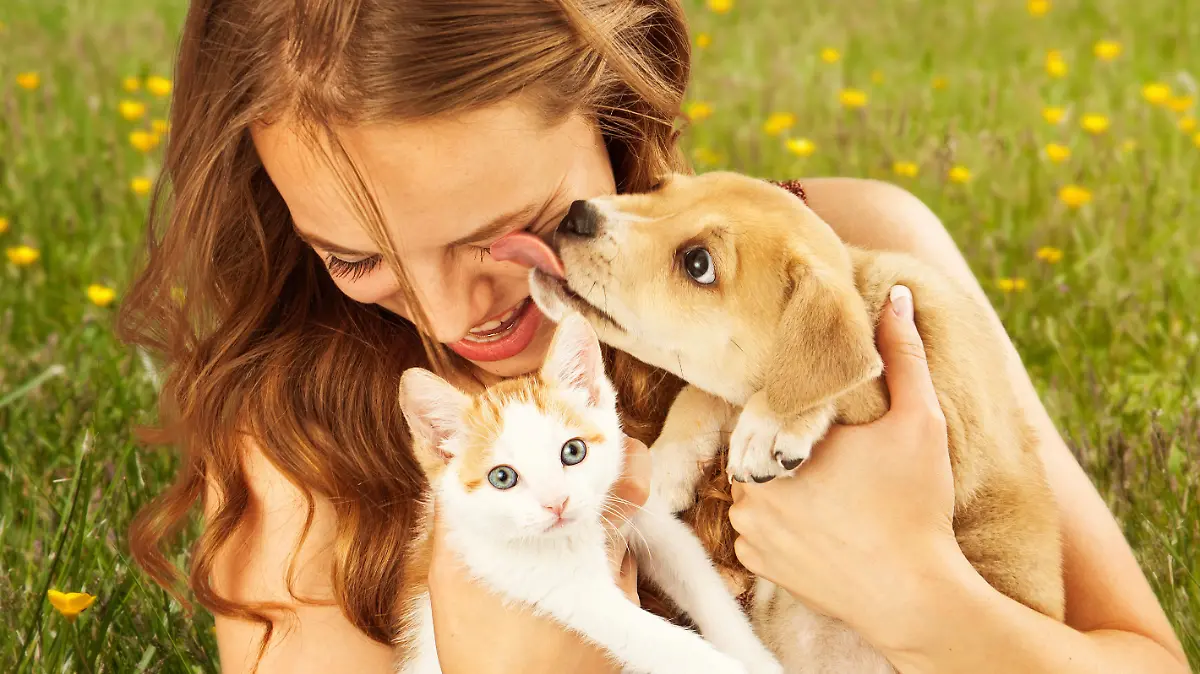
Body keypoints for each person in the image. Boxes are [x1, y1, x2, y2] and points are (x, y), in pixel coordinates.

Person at [117, 0, 1189, 672]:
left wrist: (913, 590)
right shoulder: (302, 449)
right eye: (357, 259)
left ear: (621, 107)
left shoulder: (849, 266)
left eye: (514, 232)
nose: (454, 318)